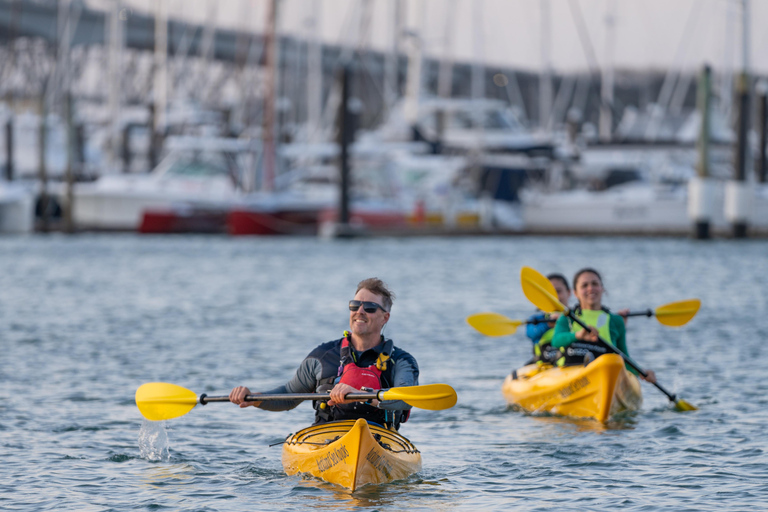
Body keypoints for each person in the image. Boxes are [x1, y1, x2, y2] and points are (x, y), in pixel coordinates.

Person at [229, 278, 419, 430]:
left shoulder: (401, 361)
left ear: (385, 317)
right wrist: (254, 398)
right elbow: (289, 394)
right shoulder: (322, 356)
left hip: (380, 440)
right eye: (354, 305)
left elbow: (405, 399)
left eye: (369, 308)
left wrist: (361, 395)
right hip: (326, 438)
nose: (359, 312)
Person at [550, 268, 656, 383]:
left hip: (603, 379)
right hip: (570, 377)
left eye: (595, 284)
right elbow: (556, 341)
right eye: (584, 285)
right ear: (575, 293)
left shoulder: (615, 321)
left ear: (602, 288)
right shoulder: (567, 317)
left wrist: (641, 372)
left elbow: (624, 357)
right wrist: (578, 336)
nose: (590, 288)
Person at [525, 273, 571, 366]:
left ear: (569, 292)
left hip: (572, 365)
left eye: (558, 291)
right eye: (549, 293)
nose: (554, 296)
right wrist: (548, 324)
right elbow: (531, 333)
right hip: (545, 368)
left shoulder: (577, 318)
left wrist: (565, 322)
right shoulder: (536, 320)